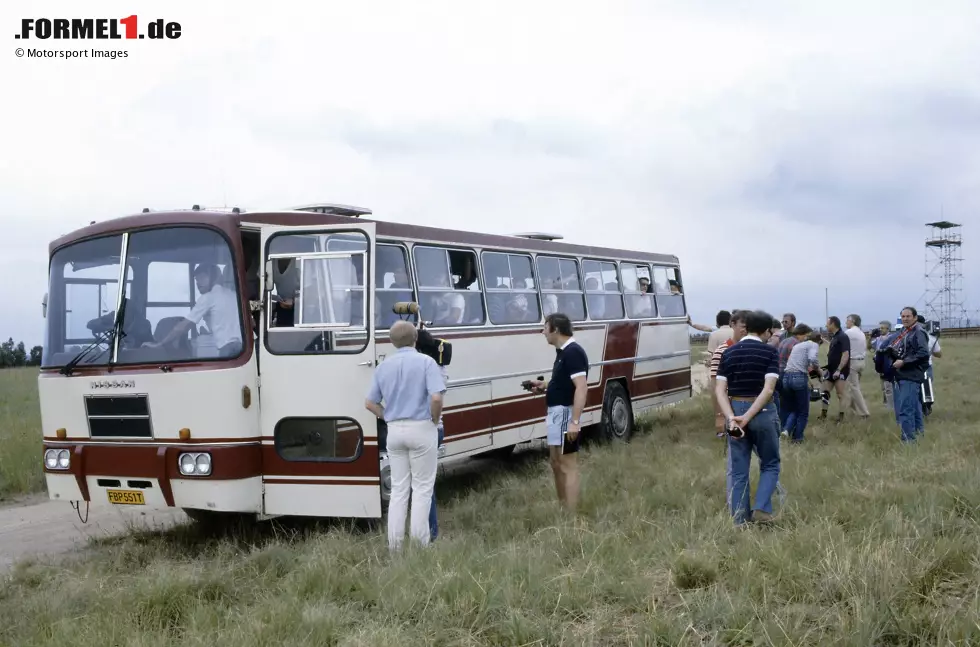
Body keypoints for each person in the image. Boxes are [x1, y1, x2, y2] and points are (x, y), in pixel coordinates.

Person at [364, 321, 446, 551]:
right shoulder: (426, 362)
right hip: (421, 427)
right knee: (422, 489)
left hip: (395, 430)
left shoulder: (383, 366)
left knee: (399, 489)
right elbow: (437, 398)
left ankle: (395, 547)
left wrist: (387, 416)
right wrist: (435, 420)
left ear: (391, 342)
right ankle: (421, 545)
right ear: (415, 339)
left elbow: (369, 403)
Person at [714, 309, 782, 525]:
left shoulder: (729, 352)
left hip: (734, 408)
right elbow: (768, 390)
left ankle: (739, 521)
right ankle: (761, 507)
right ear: (767, 331)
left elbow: (719, 390)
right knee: (770, 463)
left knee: (739, 470)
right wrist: (749, 415)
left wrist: (732, 417)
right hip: (762, 411)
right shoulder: (770, 353)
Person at [528, 313, 589, 512]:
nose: (543, 331)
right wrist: (544, 386)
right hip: (555, 415)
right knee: (555, 462)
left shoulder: (573, 352)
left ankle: (571, 515)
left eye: (545, 327)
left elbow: (581, 387)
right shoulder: (562, 353)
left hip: (565, 415)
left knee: (567, 464)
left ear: (555, 329)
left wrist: (575, 421)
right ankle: (563, 508)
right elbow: (564, 383)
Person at [142, 263, 243, 358]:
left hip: (229, 350)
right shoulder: (234, 295)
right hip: (247, 348)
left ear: (214, 277)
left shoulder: (208, 297)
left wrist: (159, 344)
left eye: (202, 277)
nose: (198, 283)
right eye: (196, 279)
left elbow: (182, 327)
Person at [885, 307, 930, 442]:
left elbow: (923, 354)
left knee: (905, 409)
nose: (905, 319)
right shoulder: (905, 332)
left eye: (908, 316)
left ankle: (908, 441)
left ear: (915, 317)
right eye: (903, 316)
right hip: (903, 374)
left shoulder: (918, 332)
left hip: (911, 374)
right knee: (914, 408)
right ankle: (919, 435)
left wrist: (903, 362)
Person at [708, 310, 747, 436]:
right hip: (731, 405)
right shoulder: (721, 351)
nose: (746, 330)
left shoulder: (752, 348)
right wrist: (719, 414)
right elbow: (716, 386)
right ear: (732, 324)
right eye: (743, 326)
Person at [780, 327, 821, 443]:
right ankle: (797, 439)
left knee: (793, 408)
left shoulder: (798, 345)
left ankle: (786, 430)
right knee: (803, 411)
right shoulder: (814, 345)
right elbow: (812, 358)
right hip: (798, 377)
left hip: (786, 378)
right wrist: (818, 369)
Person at [818, 316, 851, 425]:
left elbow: (846, 354)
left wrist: (839, 370)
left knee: (840, 394)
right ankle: (823, 415)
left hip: (840, 371)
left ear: (833, 324)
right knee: (825, 392)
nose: (826, 326)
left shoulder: (843, 336)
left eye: (827, 324)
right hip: (831, 370)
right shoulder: (835, 337)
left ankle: (841, 418)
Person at [843, 314, 870, 418]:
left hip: (853, 362)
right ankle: (852, 411)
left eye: (847, 320)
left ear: (852, 321)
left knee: (854, 387)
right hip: (861, 362)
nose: (846, 323)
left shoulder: (849, 332)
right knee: (852, 387)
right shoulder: (861, 333)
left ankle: (864, 412)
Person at [871, 320, 896, 406]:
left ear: (888, 328)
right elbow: (869, 346)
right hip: (880, 364)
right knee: (883, 386)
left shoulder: (892, 338)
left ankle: (890, 404)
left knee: (888, 385)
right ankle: (886, 402)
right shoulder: (878, 339)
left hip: (888, 364)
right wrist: (871, 336)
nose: (880, 330)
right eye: (879, 328)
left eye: (882, 328)